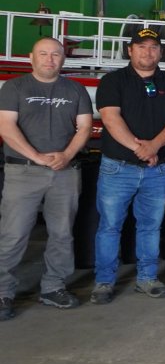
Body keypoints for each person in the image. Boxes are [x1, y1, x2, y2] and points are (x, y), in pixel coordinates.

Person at [91, 29, 165, 305]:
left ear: (160, 52)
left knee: (150, 226)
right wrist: (140, 149)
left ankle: (147, 278)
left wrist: (154, 147)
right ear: (130, 50)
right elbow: (111, 119)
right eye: (142, 46)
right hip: (117, 168)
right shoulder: (112, 81)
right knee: (110, 226)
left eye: (154, 47)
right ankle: (104, 281)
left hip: (155, 170)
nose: (148, 52)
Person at [0, 38, 93, 320]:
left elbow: (85, 127)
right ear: (31, 57)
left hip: (65, 172)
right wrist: (38, 157)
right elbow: (6, 127)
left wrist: (66, 155)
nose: (49, 59)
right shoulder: (14, 87)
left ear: (63, 59)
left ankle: (54, 287)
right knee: (13, 234)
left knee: (62, 233)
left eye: (55, 54)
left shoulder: (76, 89)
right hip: (23, 171)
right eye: (43, 54)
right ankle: (3, 291)